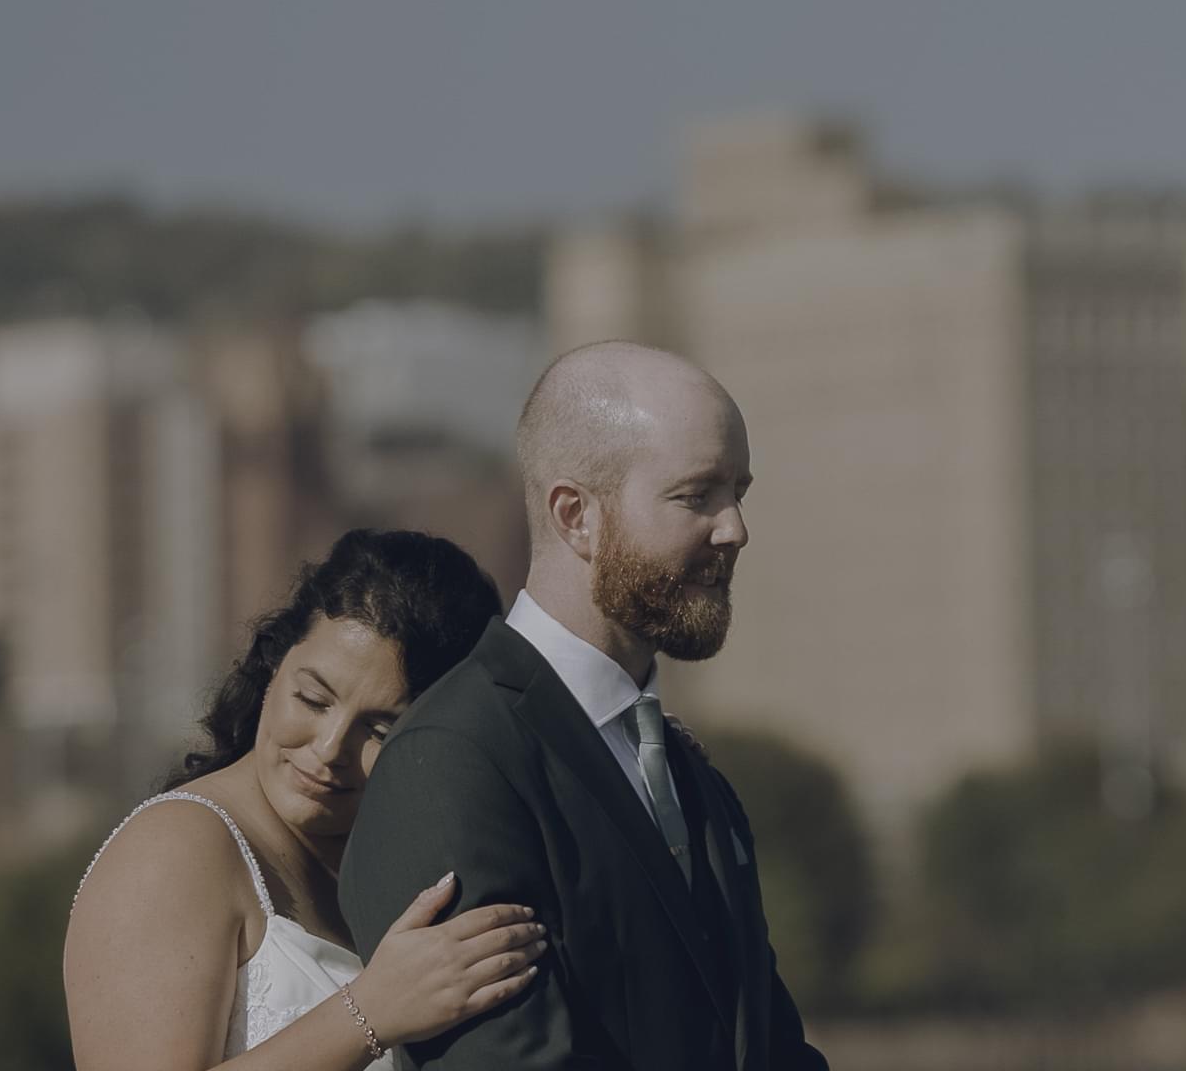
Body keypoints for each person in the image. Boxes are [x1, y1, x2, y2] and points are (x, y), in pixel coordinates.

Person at [339, 341, 827, 1071]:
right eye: (697, 495)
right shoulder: (455, 760)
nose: (735, 530)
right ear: (577, 517)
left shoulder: (692, 779)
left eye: (739, 493)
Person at [65, 528, 545, 1070]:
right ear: (273, 666)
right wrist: (369, 1011)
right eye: (313, 699)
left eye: (380, 730)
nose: (330, 748)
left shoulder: (403, 858)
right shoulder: (174, 851)